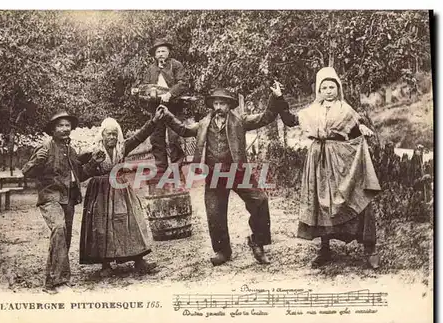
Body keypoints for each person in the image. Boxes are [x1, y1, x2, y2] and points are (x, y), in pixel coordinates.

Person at [163, 84, 289, 266]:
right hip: (214, 174)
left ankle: (258, 243)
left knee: (260, 200)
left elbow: (265, 117)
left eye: (223, 103)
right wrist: (167, 115)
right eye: (216, 103)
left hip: (238, 172)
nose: (219, 107)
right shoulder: (204, 123)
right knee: (215, 212)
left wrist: (275, 97)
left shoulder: (240, 120)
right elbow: (183, 130)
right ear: (212, 105)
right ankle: (222, 251)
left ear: (229, 105)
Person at [277, 66, 382, 269]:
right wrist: (279, 98)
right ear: (319, 90)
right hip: (318, 160)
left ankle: (370, 248)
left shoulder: (345, 109)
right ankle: (324, 249)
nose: (328, 90)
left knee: (358, 197)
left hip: (343, 160)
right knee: (321, 202)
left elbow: (354, 125)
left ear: (338, 88)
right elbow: (290, 120)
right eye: (324, 87)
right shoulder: (311, 111)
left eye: (332, 86)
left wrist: (362, 128)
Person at [78, 108, 165, 276]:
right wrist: (93, 165)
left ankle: (139, 260)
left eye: (114, 134)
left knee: (131, 221)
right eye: (108, 134)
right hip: (100, 192)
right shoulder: (92, 152)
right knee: (101, 226)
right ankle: (106, 264)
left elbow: (140, 136)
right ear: (102, 135)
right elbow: (80, 174)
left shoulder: (122, 148)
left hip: (121, 188)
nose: (111, 137)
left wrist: (154, 121)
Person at [22, 111, 100, 294]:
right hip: (50, 198)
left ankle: (51, 282)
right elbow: (27, 171)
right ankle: (60, 281)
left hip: (69, 199)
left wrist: (94, 162)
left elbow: (79, 175)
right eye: (60, 125)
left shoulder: (71, 151)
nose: (65, 129)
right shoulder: (45, 148)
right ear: (52, 129)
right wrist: (37, 162)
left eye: (67, 125)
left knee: (64, 239)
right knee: (59, 228)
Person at [133, 38, 189, 187]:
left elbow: (183, 83)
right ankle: (160, 172)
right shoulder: (150, 70)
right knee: (156, 140)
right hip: (155, 108)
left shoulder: (176, 65)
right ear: (154, 55)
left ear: (169, 52)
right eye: (158, 51)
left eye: (163, 50)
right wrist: (142, 91)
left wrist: (170, 94)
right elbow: (144, 86)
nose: (161, 54)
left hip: (174, 108)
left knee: (174, 139)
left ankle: (177, 173)